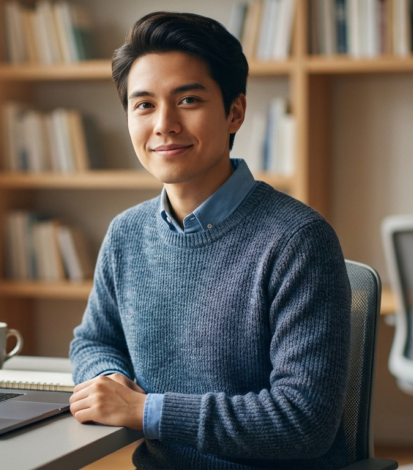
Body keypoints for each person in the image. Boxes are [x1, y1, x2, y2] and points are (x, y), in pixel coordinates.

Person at [68, 11, 351, 470]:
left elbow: (304, 420)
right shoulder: (127, 232)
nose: (164, 124)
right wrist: (109, 380)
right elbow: (93, 340)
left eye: (188, 100)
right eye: (143, 105)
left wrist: (145, 411)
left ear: (234, 111)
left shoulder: (298, 240)